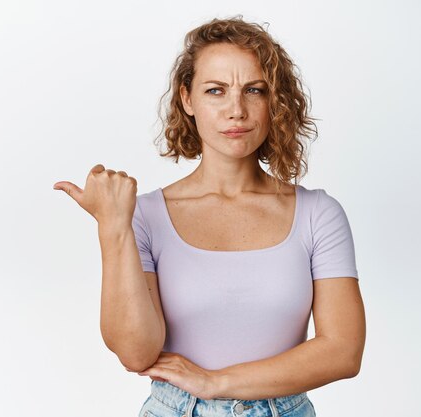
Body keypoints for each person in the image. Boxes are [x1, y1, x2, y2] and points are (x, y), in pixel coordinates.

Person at [53, 15, 365, 417]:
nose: (236, 110)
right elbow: (135, 352)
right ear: (187, 99)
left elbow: (343, 351)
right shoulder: (145, 215)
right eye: (216, 90)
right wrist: (113, 226)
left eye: (254, 90)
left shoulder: (318, 214)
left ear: (275, 102)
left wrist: (216, 382)